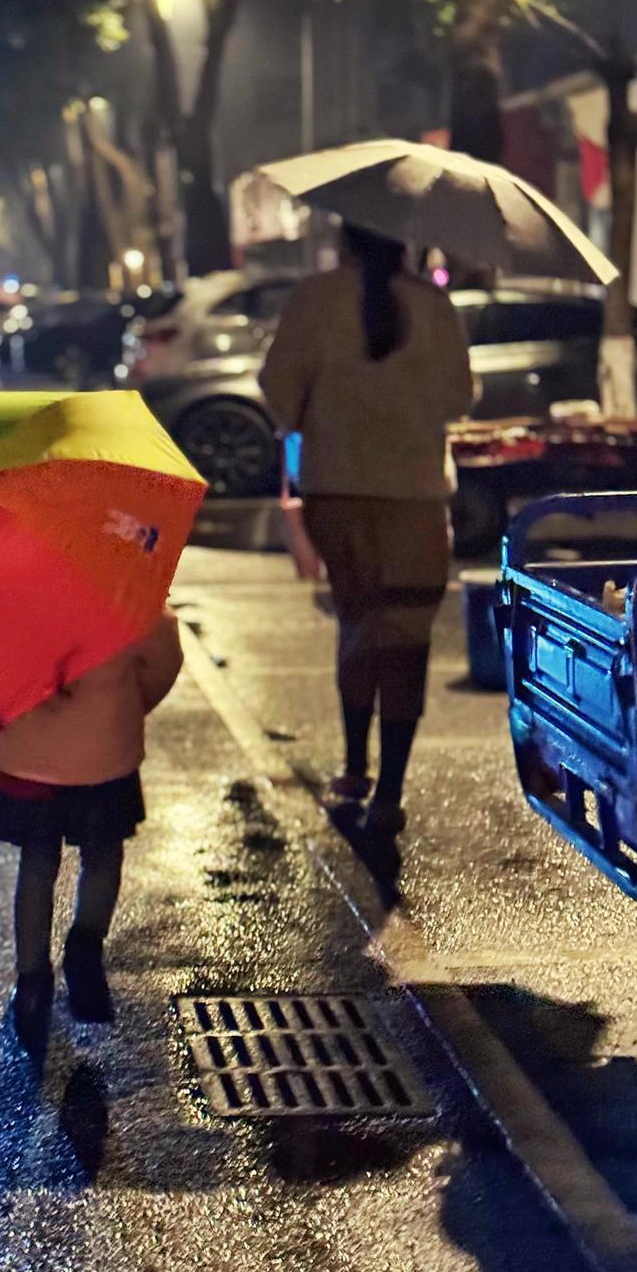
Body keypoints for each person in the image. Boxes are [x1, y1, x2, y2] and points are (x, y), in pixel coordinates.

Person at [259, 223, 475, 837]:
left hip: (336, 492)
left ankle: (354, 769)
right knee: (405, 638)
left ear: (347, 238)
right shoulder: (433, 305)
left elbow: (279, 395)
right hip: (415, 496)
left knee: (358, 625)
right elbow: (459, 399)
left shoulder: (313, 298)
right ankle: (391, 794)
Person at [0, 610, 184, 1051]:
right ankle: (85, 950)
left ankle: (31, 985)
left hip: (33, 753)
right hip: (102, 748)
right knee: (103, 854)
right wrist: (125, 704)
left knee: (37, 860)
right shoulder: (124, 593)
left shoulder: (18, 591)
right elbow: (163, 660)